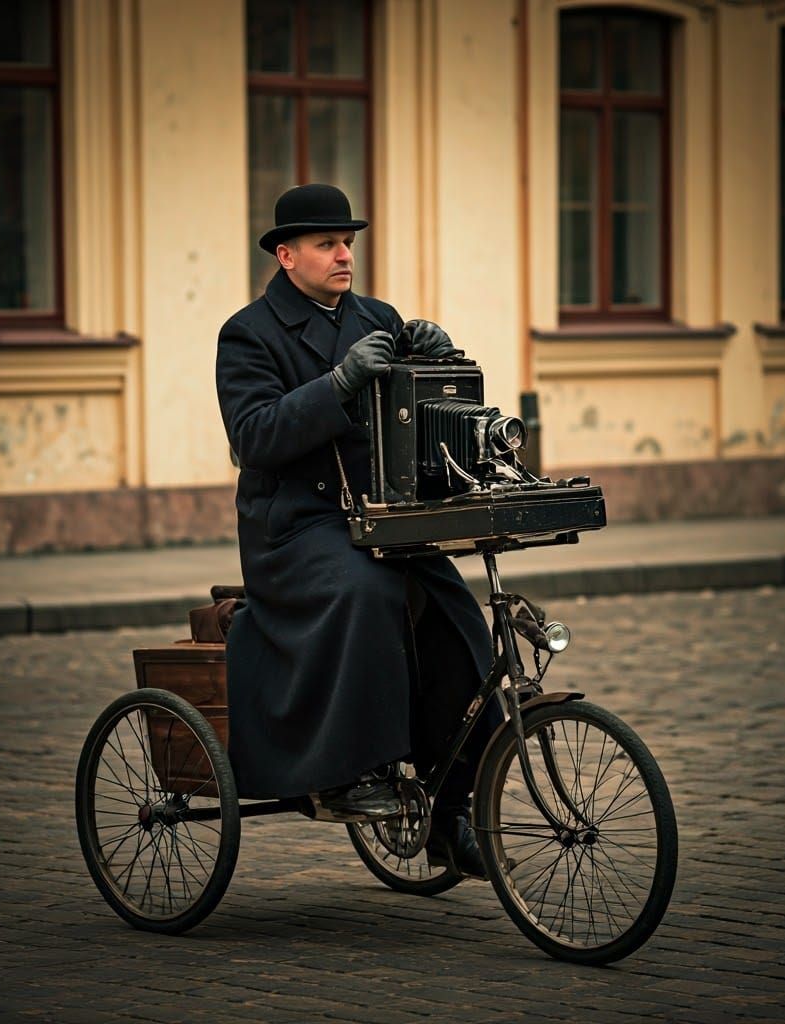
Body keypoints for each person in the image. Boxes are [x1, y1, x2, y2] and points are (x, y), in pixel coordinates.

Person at [215, 183, 494, 876]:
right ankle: (350, 770)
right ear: (286, 255)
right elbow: (253, 437)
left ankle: (450, 806)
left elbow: (413, 416)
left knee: (460, 618)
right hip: (295, 530)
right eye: (327, 244)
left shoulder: (377, 316)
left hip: (376, 517)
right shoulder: (248, 333)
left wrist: (437, 357)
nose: (345, 254)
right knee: (368, 591)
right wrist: (337, 383)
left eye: (349, 243)